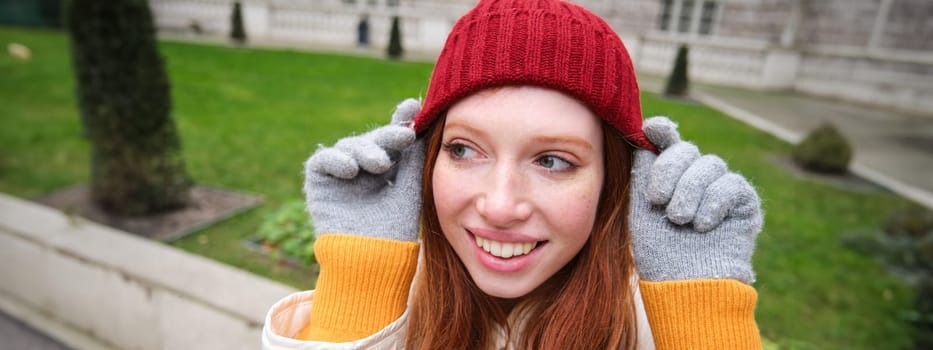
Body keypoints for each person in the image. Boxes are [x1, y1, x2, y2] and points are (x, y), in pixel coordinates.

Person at [262, 0, 763, 349]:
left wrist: (704, 311)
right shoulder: (386, 312)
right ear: (424, 157)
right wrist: (357, 277)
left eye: (552, 161)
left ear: (617, 180)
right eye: (463, 150)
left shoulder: (664, 329)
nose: (500, 206)